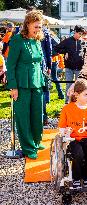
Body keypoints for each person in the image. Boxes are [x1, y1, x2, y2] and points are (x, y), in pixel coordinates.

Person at [6, 10, 46, 159]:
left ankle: (36, 141)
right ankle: (28, 147)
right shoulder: (17, 40)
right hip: (21, 84)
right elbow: (11, 65)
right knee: (23, 116)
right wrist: (13, 86)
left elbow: (39, 62)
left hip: (37, 83)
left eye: (40, 27)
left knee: (37, 114)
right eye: (36, 26)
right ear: (27, 24)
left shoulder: (37, 39)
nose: (38, 30)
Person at [54, 25, 86, 103]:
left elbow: (86, 53)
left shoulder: (82, 42)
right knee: (69, 85)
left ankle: (78, 101)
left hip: (79, 67)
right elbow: (56, 48)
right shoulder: (67, 41)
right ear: (75, 32)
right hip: (69, 67)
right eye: (79, 34)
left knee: (79, 86)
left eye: (81, 34)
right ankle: (67, 102)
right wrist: (65, 51)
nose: (80, 36)